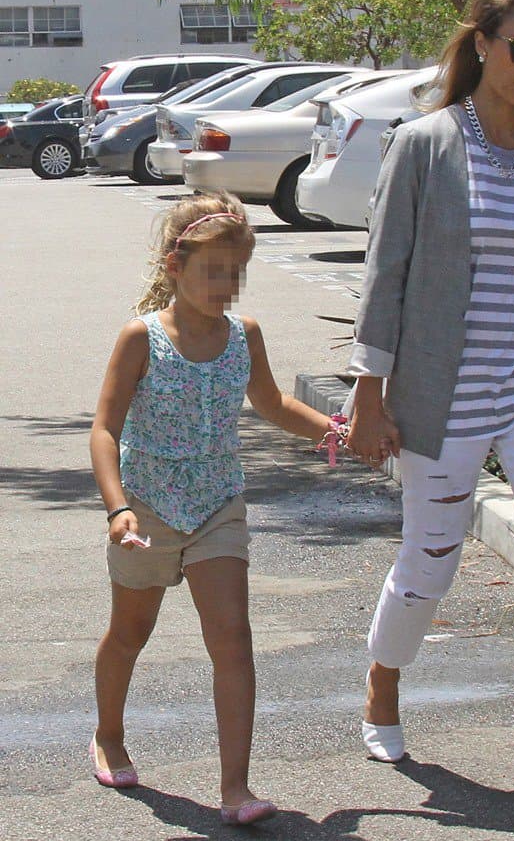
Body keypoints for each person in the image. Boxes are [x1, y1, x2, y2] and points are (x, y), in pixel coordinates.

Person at [347, 0, 514, 825]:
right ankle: (384, 681)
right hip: (445, 387)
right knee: (431, 563)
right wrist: (369, 392)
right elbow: (386, 274)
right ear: (484, 45)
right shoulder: (423, 144)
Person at [89, 193, 338, 826]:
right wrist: (118, 509)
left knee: (232, 638)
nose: (225, 287)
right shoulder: (140, 338)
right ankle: (109, 734)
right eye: (212, 272)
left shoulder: (243, 336)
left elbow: (274, 404)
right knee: (130, 634)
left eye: (235, 274)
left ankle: (235, 787)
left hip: (217, 506)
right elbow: (104, 430)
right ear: (175, 265)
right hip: (146, 510)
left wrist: (333, 431)